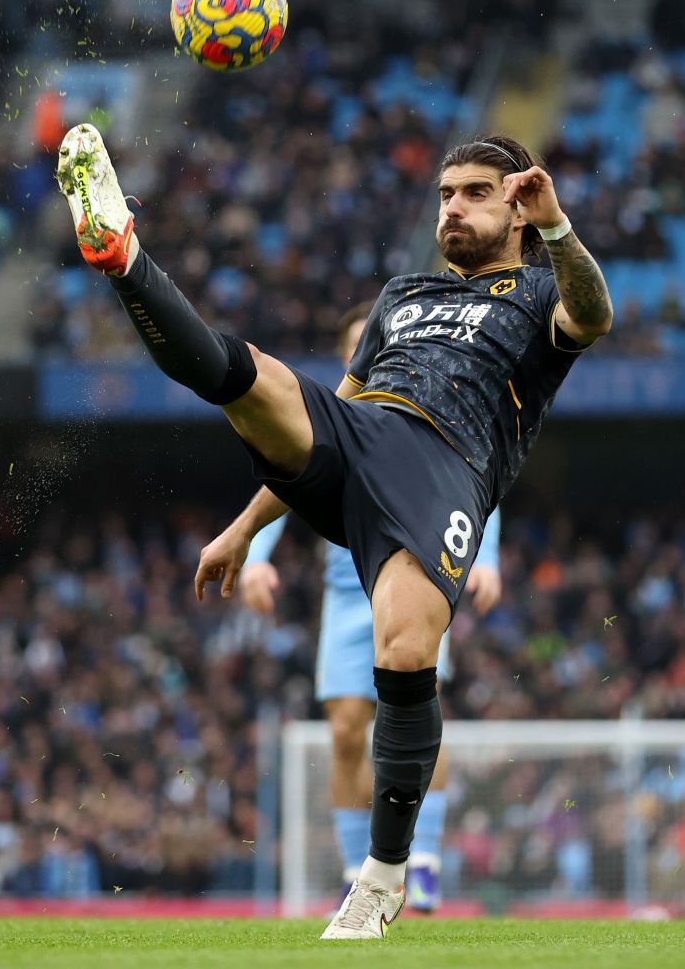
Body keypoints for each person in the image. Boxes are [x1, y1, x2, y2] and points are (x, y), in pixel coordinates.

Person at [55, 123, 611, 939]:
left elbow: (594, 317)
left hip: (444, 466)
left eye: (475, 195)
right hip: (359, 435)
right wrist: (246, 528)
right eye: (445, 195)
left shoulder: (537, 295)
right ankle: (125, 259)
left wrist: (560, 227)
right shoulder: (402, 295)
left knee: (405, 649)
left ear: (519, 209)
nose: (452, 209)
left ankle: (383, 878)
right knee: (245, 378)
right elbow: (341, 409)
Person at [232, 303, 504, 913]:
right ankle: (360, 872)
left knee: (413, 710)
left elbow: (479, 483)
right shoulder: (336, 419)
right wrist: (255, 555)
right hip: (348, 592)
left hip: (423, 574)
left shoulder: (433, 406)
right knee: (348, 732)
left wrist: (487, 558)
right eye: (362, 344)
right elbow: (286, 479)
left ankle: (424, 861)